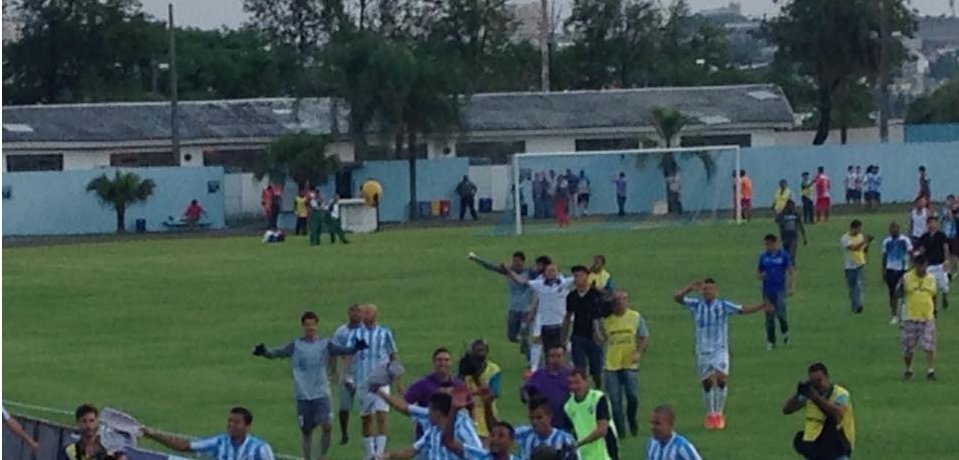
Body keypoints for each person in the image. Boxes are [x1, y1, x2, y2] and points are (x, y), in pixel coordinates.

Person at [252, 311, 366, 460]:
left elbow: (343, 350)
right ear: (303, 326)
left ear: (317, 325)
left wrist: (356, 347)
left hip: (321, 393)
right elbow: (276, 353)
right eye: (307, 325)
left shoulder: (325, 343)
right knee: (307, 431)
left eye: (312, 324)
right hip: (303, 394)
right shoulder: (296, 345)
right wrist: (264, 352)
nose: (310, 328)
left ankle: (322, 456)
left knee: (327, 426)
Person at [673, 279, 771, 430]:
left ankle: (719, 413)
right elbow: (677, 298)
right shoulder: (696, 305)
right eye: (705, 289)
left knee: (721, 378)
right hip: (703, 350)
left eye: (710, 289)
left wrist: (761, 306)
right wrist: (689, 288)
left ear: (716, 291)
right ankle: (710, 414)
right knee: (706, 383)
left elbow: (743, 309)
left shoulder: (723, 305)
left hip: (720, 349)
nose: (707, 292)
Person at [346, 305, 399, 459]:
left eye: (367, 312)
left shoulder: (385, 333)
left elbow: (392, 354)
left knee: (382, 415)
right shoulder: (356, 333)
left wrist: (396, 377)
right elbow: (350, 354)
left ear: (375, 315)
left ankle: (380, 453)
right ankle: (369, 453)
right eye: (363, 312)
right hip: (363, 381)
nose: (364, 315)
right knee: (366, 418)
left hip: (381, 381)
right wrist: (346, 374)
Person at [505, 263, 573, 373]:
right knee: (548, 352)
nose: (550, 272)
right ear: (545, 273)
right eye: (548, 270)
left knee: (564, 348)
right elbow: (521, 281)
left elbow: (581, 277)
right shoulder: (539, 284)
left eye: (553, 270)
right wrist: (509, 271)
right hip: (546, 325)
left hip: (561, 324)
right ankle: (544, 371)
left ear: (558, 272)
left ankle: (568, 369)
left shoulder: (564, 283)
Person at [601, 292, 649, 438]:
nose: (620, 303)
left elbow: (644, 336)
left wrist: (639, 352)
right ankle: (621, 432)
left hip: (629, 364)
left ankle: (632, 419)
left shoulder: (635, 317)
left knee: (632, 396)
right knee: (615, 401)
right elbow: (600, 340)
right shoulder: (606, 320)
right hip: (611, 364)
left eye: (623, 300)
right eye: (617, 301)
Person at [468, 251, 535, 357]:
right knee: (511, 336)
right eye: (514, 261)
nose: (516, 263)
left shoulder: (530, 273)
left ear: (523, 262)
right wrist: (476, 258)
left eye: (518, 261)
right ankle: (525, 345)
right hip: (513, 309)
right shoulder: (508, 271)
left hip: (526, 311)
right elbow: (490, 266)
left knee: (524, 334)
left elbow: (521, 281)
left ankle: (531, 359)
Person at [782, 363, 855, 460]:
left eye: (819, 381)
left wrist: (816, 398)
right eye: (814, 382)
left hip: (837, 446)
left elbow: (837, 414)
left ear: (827, 377)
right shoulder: (810, 394)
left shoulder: (841, 394)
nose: (817, 385)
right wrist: (798, 394)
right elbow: (787, 410)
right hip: (814, 447)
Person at [143, 407, 274, 460]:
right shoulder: (219, 442)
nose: (231, 425)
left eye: (236, 422)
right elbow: (185, 446)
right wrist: (153, 434)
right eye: (230, 421)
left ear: (247, 426)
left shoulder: (260, 448)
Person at [380, 392, 479, 460]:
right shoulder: (434, 430)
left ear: (437, 413)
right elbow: (413, 450)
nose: (428, 414)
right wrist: (388, 455)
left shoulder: (463, 428)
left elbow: (479, 453)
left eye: (430, 410)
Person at [564, 265, 609, 388]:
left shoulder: (595, 295)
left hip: (593, 337)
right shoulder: (572, 296)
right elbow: (568, 316)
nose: (577, 278)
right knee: (580, 368)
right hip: (578, 336)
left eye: (579, 275)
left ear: (586, 277)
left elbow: (599, 316)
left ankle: (598, 388)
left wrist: (600, 334)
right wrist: (563, 336)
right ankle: (583, 390)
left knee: (596, 368)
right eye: (575, 276)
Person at [898, 255, 939, 380]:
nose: (922, 268)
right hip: (910, 316)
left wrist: (935, 311)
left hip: (927, 316)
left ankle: (930, 370)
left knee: (929, 344)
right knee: (908, 347)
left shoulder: (931, 278)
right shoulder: (907, 278)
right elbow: (898, 293)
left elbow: (934, 295)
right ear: (915, 265)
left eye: (924, 265)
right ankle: (908, 369)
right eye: (919, 265)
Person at [564, 369, 618, 460]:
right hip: (585, 455)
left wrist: (580, 443)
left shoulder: (598, 398)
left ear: (586, 382)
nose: (574, 386)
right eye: (571, 383)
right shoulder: (568, 406)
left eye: (577, 382)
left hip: (606, 453)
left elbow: (602, 430)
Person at [459, 340, 502, 441]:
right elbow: (459, 389)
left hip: (488, 413)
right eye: (477, 350)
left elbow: (494, 393)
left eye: (482, 350)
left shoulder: (494, 370)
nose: (480, 354)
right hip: (470, 413)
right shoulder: (465, 369)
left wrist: (476, 379)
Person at [333, 304, 364, 445]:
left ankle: (367, 434)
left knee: (366, 406)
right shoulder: (341, 332)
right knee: (345, 405)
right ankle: (344, 432)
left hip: (364, 372)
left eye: (359, 311)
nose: (356, 314)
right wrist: (334, 370)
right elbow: (334, 350)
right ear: (348, 313)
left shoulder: (367, 330)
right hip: (346, 372)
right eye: (353, 311)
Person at [522, 345, 572, 430]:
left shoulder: (570, 375)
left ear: (564, 357)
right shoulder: (539, 375)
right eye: (553, 356)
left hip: (565, 422)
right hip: (543, 424)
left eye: (559, 356)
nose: (556, 359)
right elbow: (525, 391)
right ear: (548, 358)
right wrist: (531, 403)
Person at [759, 234, 795, 351]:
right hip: (767, 291)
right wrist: (761, 276)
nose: (767, 246)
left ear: (775, 243)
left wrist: (791, 287)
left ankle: (785, 334)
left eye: (769, 244)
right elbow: (758, 273)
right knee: (769, 317)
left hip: (779, 290)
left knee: (781, 315)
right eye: (766, 244)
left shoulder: (783, 256)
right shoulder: (763, 257)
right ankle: (771, 341)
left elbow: (791, 271)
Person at [61, 405, 127, 460]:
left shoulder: (111, 449)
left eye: (91, 421)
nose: (88, 425)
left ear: (97, 422)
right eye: (84, 421)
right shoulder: (70, 451)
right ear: (78, 423)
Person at [882, 222, 913, 325]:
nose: (893, 230)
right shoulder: (886, 241)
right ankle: (894, 315)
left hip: (903, 269)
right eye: (891, 229)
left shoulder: (905, 240)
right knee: (892, 293)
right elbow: (884, 256)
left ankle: (904, 316)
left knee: (904, 293)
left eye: (895, 228)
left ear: (898, 229)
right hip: (891, 269)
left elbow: (911, 253)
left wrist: (911, 267)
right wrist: (884, 270)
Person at [917, 216, 951, 310]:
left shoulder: (941, 235)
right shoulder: (924, 237)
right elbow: (921, 249)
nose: (932, 225)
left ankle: (944, 297)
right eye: (930, 223)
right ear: (927, 224)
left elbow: (945, 248)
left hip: (940, 264)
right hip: (929, 265)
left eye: (933, 222)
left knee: (944, 287)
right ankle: (933, 306)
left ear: (937, 224)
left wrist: (946, 261)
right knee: (932, 288)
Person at [840, 220, 873, 314]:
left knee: (859, 286)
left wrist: (867, 244)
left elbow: (864, 248)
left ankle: (859, 305)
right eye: (858, 229)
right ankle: (854, 306)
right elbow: (854, 248)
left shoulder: (861, 236)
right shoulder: (845, 238)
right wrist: (864, 241)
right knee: (851, 288)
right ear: (852, 228)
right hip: (849, 266)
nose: (859, 231)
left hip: (860, 264)